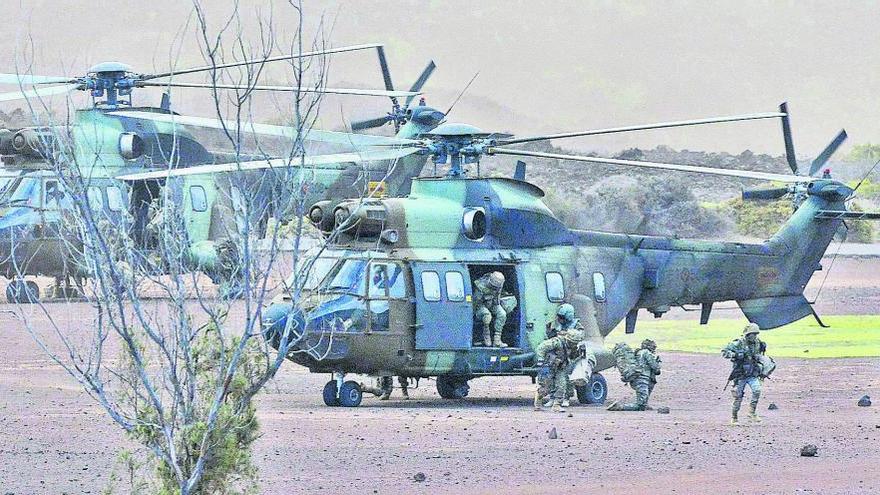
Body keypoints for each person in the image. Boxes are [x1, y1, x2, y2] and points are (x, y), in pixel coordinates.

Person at [535, 303, 591, 412]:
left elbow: (576, 348)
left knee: (562, 384)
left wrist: (579, 354)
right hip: (550, 365)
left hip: (562, 364)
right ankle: (539, 402)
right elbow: (542, 347)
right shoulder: (558, 341)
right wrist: (541, 361)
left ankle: (557, 404)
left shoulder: (576, 330)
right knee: (545, 387)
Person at [722, 323, 767, 425]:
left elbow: (759, 356)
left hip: (752, 373)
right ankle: (734, 417)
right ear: (748, 334)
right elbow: (724, 352)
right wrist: (736, 355)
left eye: (756, 334)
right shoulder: (738, 343)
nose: (755, 336)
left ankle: (752, 412)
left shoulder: (757, 343)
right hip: (740, 374)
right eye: (753, 334)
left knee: (757, 390)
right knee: (738, 396)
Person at [607, 339, 661, 411]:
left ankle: (644, 403)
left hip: (639, 378)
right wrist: (658, 362)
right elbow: (655, 367)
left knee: (643, 402)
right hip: (642, 379)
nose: (654, 348)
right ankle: (620, 407)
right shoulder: (646, 352)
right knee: (640, 406)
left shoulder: (639, 353)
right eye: (653, 346)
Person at [473, 271, 507, 347]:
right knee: (487, 315)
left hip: (492, 303)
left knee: (502, 314)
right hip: (480, 306)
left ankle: (497, 340)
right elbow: (476, 303)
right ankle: (486, 336)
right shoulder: (481, 286)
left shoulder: (499, 285)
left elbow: (497, 299)